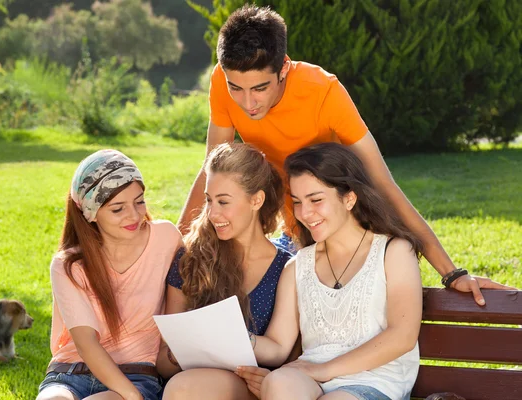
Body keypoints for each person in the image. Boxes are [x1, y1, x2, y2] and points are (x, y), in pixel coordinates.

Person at [176, 4, 510, 305]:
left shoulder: (325, 92)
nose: (248, 104)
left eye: (260, 88)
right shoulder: (223, 79)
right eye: (238, 89)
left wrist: (451, 273)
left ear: (284, 69)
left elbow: (383, 184)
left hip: (340, 215)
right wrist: (177, 249)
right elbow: (213, 172)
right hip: (291, 219)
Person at [237, 142, 423, 400]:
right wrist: (230, 337)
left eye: (316, 200)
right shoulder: (298, 266)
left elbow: (402, 336)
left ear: (349, 198)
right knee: (279, 382)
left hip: (375, 380)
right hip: (311, 378)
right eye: (298, 202)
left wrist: (322, 370)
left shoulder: (393, 252)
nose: (304, 213)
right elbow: (278, 346)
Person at [37, 149, 182, 400]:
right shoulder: (68, 264)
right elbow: (86, 344)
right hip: (69, 373)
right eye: (118, 209)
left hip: (136, 375)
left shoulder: (166, 238)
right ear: (91, 214)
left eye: (139, 201)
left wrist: (132, 394)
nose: (135, 215)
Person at [158, 143, 293, 400]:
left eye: (223, 202)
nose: (212, 213)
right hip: (192, 385)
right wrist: (174, 355)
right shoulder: (190, 257)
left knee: (184, 388)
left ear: (256, 200)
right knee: (182, 387)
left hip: (252, 388)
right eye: (209, 200)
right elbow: (162, 363)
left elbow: (280, 350)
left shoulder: (286, 267)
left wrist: (219, 338)